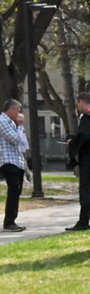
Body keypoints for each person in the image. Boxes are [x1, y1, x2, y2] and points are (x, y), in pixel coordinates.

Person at [0, 99, 29, 232]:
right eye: (17, 110)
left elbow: (21, 141)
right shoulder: (1, 122)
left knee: (16, 190)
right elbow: (15, 139)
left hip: (16, 160)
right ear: (11, 109)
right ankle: (9, 222)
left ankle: (12, 220)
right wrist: (20, 125)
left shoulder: (10, 123)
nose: (19, 113)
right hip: (7, 160)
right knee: (14, 189)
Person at [67, 93, 90, 232]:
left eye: (77, 103)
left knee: (86, 191)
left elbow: (85, 136)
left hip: (88, 159)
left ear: (81, 101)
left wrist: (72, 144)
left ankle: (83, 222)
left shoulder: (86, 116)